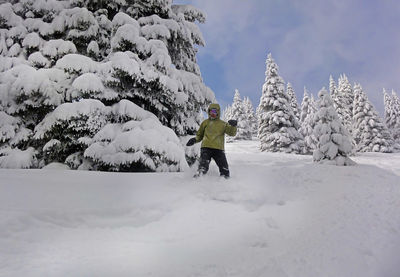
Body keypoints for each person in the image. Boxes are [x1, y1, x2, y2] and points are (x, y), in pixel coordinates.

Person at [186, 103, 237, 178]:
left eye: (215, 111)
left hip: (219, 149)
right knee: (203, 166)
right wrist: (194, 140)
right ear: (209, 112)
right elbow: (199, 135)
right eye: (211, 111)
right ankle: (198, 180)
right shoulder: (205, 123)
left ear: (218, 112)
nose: (212, 113)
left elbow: (232, 133)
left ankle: (225, 181)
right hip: (206, 148)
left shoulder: (223, 124)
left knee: (224, 168)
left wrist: (233, 126)